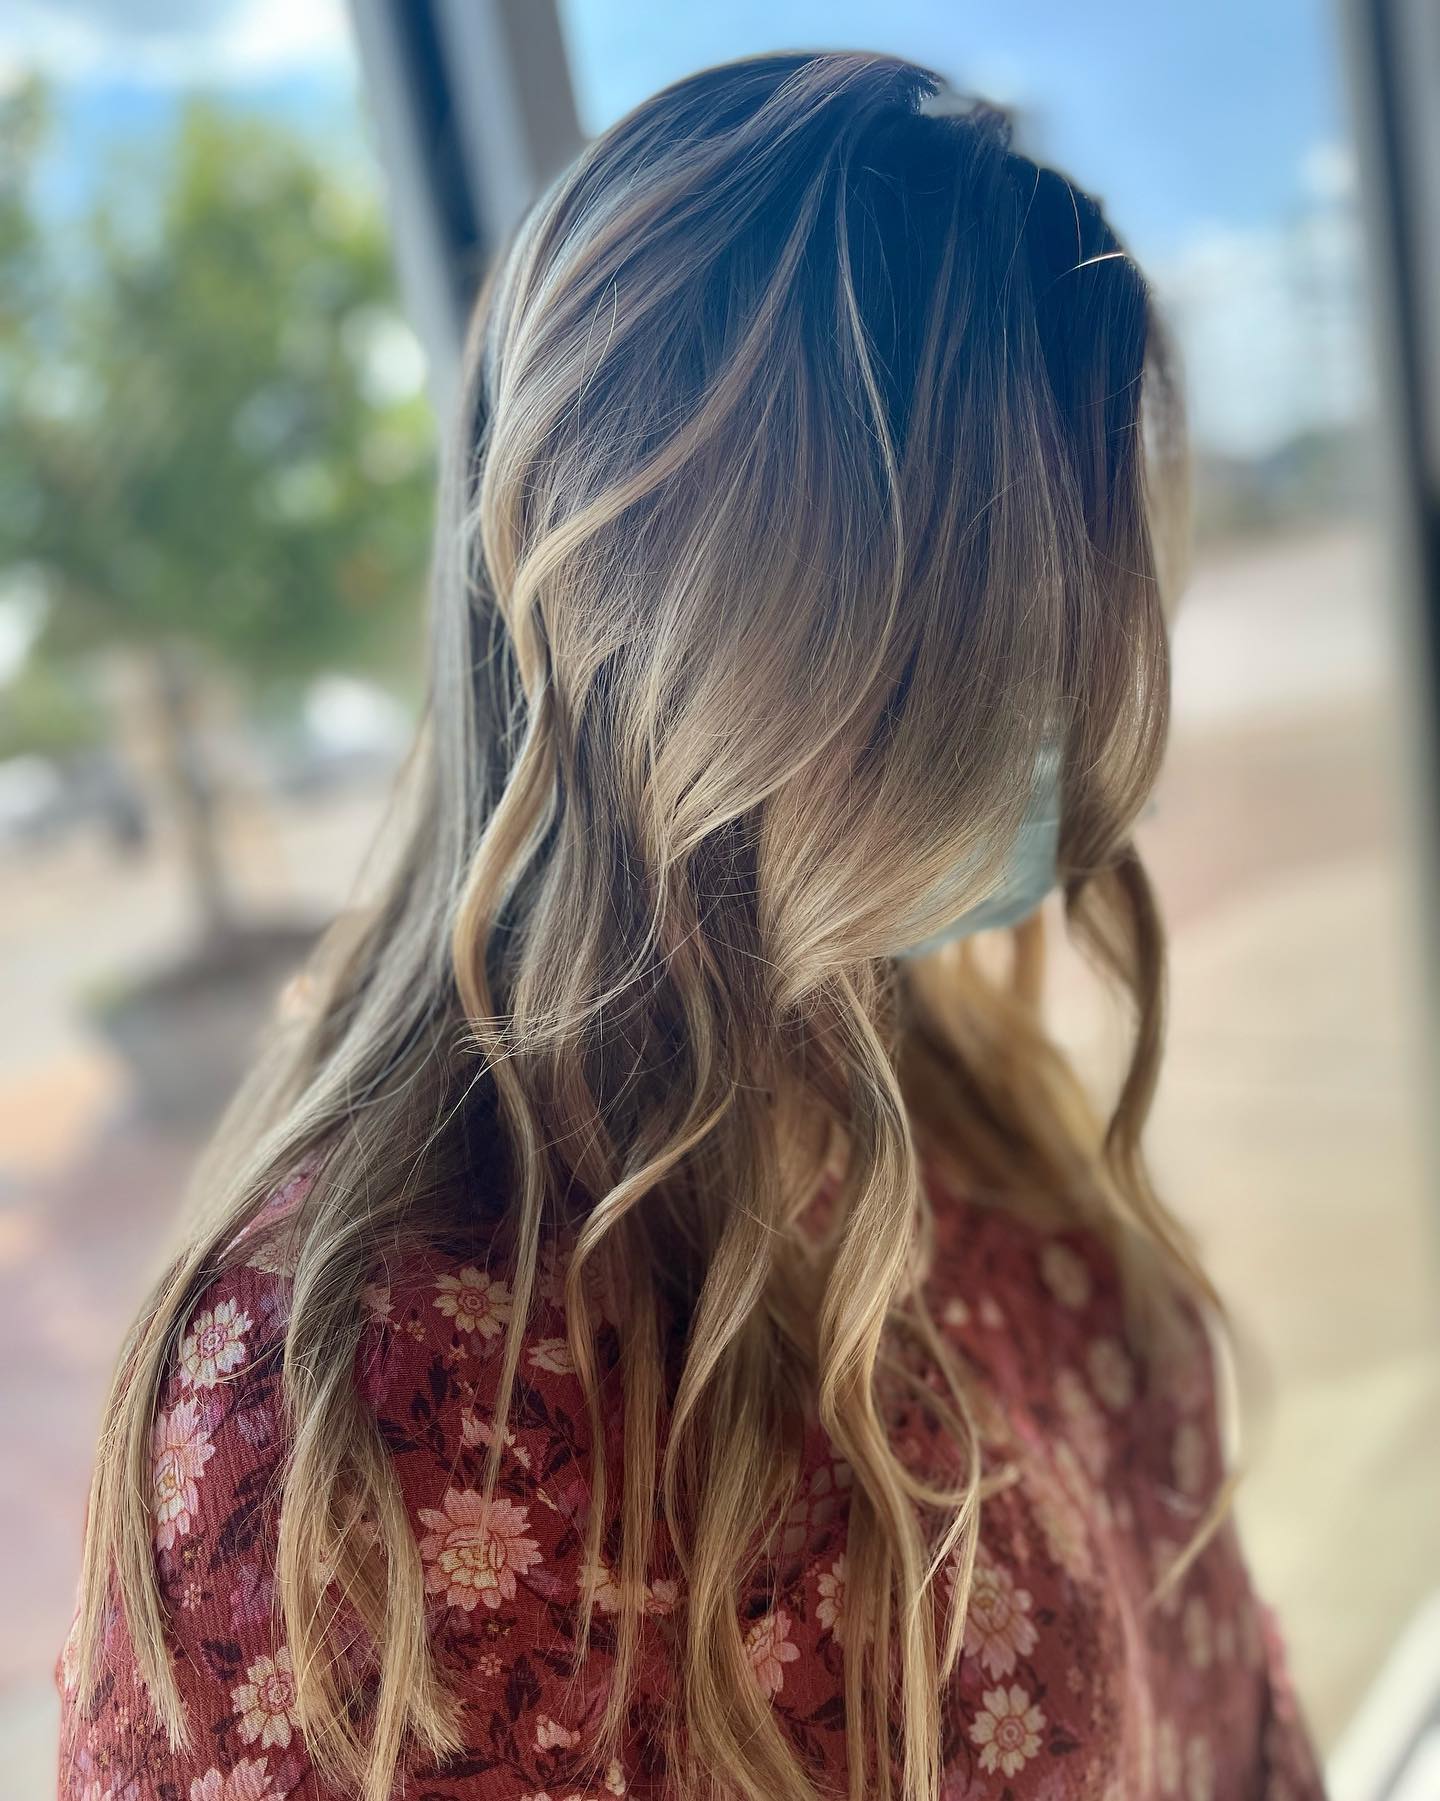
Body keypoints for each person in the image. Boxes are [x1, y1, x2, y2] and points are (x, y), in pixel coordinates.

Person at [58, 50, 1328, 1801]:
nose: (1089, 708)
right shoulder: (346, 1426)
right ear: (739, 637)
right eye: (1008, 619)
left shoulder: (961, 1116)